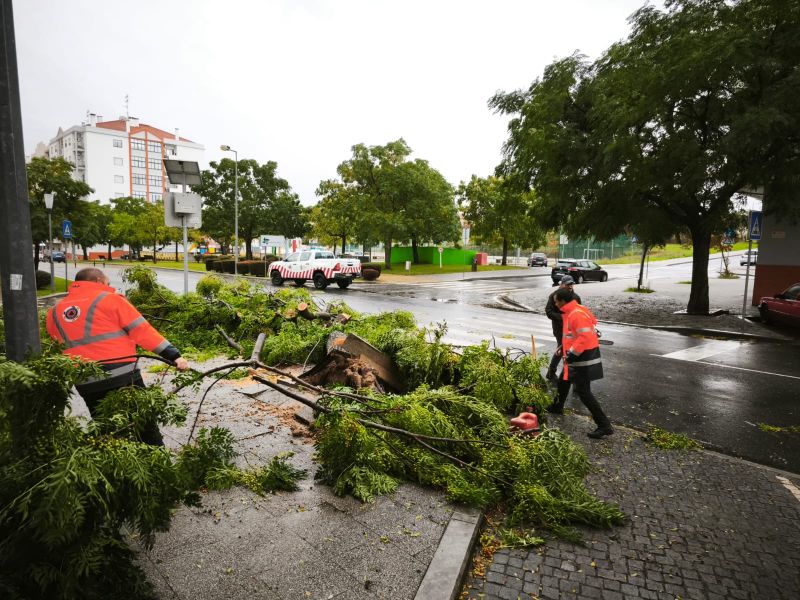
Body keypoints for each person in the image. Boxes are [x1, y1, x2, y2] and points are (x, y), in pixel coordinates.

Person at [46, 268, 190, 445]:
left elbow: (57, 347)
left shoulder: (54, 312)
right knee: (143, 425)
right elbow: (142, 331)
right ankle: (156, 459)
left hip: (85, 380)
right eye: (107, 283)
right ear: (99, 281)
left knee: (108, 430)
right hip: (122, 374)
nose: (109, 286)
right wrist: (174, 356)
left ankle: (115, 459)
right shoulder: (111, 300)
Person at [547, 287, 613, 439]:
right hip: (578, 357)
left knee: (584, 392)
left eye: (556, 302)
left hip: (582, 359)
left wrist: (570, 354)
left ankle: (604, 425)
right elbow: (573, 335)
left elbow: (584, 338)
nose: (555, 304)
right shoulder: (573, 311)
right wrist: (562, 347)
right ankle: (557, 406)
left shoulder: (576, 314)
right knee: (564, 381)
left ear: (563, 301)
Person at [544, 275, 581, 381]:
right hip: (559, 328)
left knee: (569, 350)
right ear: (562, 284)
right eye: (568, 284)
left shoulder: (575, 297)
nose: (570, 286)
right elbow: (548, 311)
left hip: (572, 328)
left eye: (572, 284)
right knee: (562, 348)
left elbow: (579, 311)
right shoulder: (554, 296)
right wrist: (563, 318)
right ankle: (552, 372)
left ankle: (568, 374)